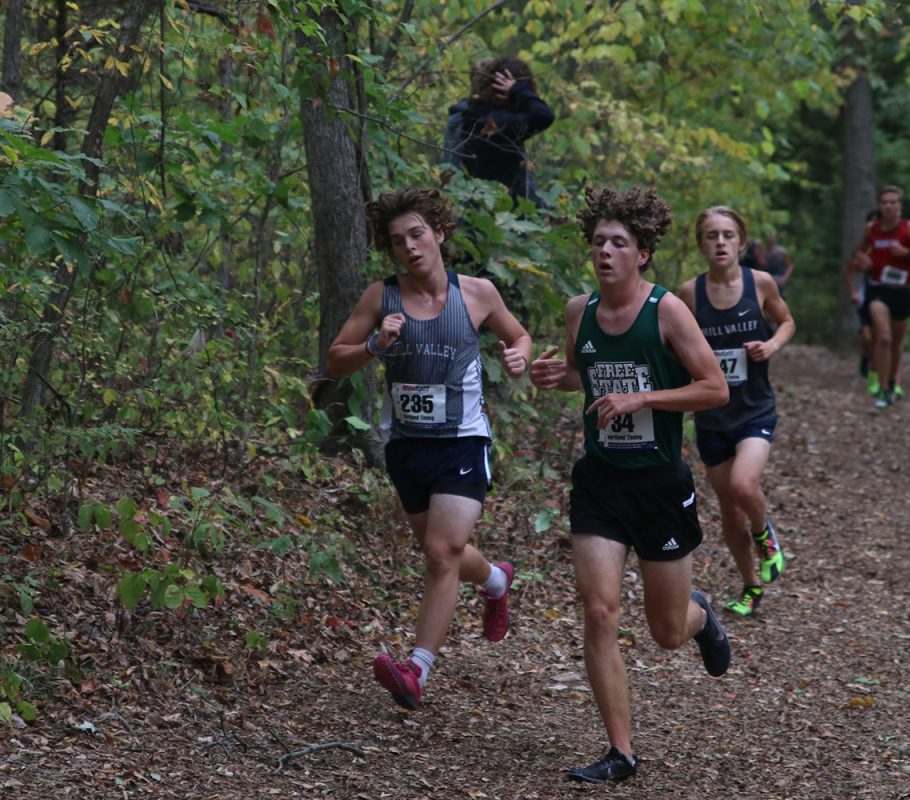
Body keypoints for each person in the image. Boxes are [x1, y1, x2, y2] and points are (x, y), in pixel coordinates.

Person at [530, 185, 731, 784]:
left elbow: (715, 388)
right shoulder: (578, 311)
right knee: (599, 611)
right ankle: (621, 753)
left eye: (619, 243)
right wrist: (555, 375)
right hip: (600, 483)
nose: (605, 252)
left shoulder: (666, 310)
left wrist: (644, 395)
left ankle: (702, 616)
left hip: (659, 484)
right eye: (598, 242)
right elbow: (582, 375)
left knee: (666, 633)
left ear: (642, 253)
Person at [326, 188, 533, 710]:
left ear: (438, 233)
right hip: (407, 445)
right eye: (398, 241)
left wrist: (519, 359)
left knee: (441, 552)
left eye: (417, 233)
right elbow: (333, 361)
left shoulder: (478, 293)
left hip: (463, 439)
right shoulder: (381, 297)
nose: (410, 246)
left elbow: (519, 336)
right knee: (442, 550)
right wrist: (375, 345)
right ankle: (493, 579)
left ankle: (415, 669)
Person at [679, 207, 796, 616]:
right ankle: (750, 587)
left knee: (745, 487)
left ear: (741, 243)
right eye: (711, 236)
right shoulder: (689, 293)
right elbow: (674, 342)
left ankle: (767, 539)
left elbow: (786, 322)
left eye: (728, 235)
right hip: (712, 418)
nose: (720, 243)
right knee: (729, 510)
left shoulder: (759, 283)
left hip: (754, 410)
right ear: (701, 245)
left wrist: (772, 346)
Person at [854, 185, 910, 408]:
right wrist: (863, 260)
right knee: (884, 337)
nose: (888, 206)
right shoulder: (872, 229)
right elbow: (859, 252)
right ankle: (882, 388)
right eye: (885, 202)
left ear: (899, 206)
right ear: (880, 206)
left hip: (902, 291)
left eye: (893, 202)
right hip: (878, 289)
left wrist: (907, 253)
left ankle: (890, 381)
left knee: (896, 343)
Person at [457, 56, 554, 205]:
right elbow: (544, 115)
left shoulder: (478, 113)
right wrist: (518, 90)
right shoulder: (498, 124)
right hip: (497, 217)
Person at [844, 209, 880, 395]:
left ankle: (877, 373)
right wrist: (853, 292)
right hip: (864, 299)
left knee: (880, 339)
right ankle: (867, 360)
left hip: (882, 299)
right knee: (868, 338)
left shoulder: (887, 248)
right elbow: (849, 269)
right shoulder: (861, 250)